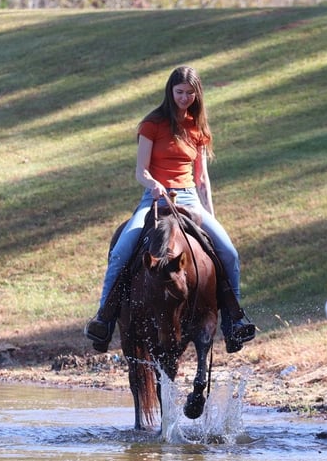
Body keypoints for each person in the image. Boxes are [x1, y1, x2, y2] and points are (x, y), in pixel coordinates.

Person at [84, 65, 255, 354]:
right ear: (170, 91)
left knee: (229, 253)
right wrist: (154, 185)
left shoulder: (197, 127)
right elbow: (140, 170)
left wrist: (210, 213)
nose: (185, 98)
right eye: (179, 92)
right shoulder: (152, 124)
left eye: (190, 93)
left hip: (189, 199)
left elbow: (201, 178)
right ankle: (104, 317)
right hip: (153, 199)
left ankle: (234, 320)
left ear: (197, 94)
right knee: (121, 251)